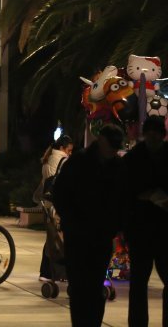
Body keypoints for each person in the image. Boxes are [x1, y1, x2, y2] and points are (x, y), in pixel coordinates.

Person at [53, 124, 127, 327]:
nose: (113, 150)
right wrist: (70, 221)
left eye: (116, 147)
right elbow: (60, 193)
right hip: (78, 236)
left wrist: (116, 226)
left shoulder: (117, 166)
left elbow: (122, 199)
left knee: (94, 287)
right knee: (78, 287)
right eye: (111, 145)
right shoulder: (79, 161)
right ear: (100, 140)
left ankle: (92, 322)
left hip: (101, 236)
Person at [124, 116, 168, 327]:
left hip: (164, 230)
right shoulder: (134, 158)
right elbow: (124, 191)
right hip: (140, 229)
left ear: (162, 135)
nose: (152, 136)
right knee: (139, 283)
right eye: (149, 132)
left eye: (156, 132)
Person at [35, 134, 74, 282]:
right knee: (61, 240)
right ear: (62, 148)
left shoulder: (47, 159)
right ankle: (59, 273)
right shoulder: (63, 160)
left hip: (48, 203)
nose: (70, 153)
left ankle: (47, 272)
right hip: (59, 204)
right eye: (69, 150)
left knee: (52, 239)